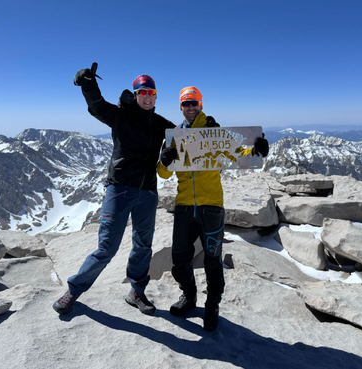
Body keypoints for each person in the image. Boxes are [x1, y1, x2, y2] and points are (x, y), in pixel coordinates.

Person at [53, 64, 175, 316]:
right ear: (136, 94)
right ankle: (73, 291)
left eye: (152, 93)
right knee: (107, 247)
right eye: (143, 93)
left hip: (148, 192)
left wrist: (213, 131)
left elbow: (189, 139)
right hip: (119, 188)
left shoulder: (161, 124)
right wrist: (88, 83)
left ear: (156, 96)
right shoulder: (121, 116)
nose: (148, 97)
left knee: (143, 245)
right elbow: (98, 107)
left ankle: (137, 291)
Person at [157, 86, 269, 330]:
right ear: (180, 107)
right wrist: (164, 161)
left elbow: (240, 154)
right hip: (185, 206)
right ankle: (189, 296)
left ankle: (212, 306)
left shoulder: (214, 132)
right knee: (179, 259)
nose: (190, 108)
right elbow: (163, 173)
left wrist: (257, 151)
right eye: (185, 104)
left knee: (212, 259)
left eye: (193, 103)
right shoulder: (176, 136)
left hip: (211, 206)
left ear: (201, 104)